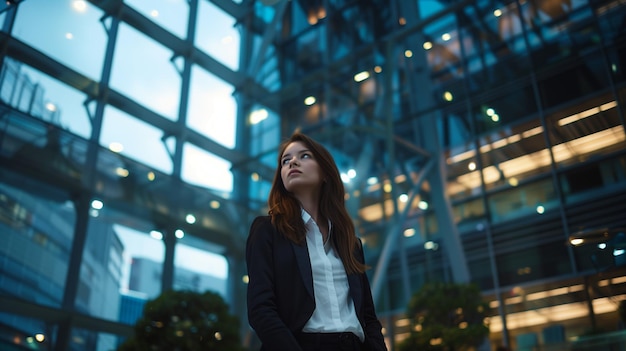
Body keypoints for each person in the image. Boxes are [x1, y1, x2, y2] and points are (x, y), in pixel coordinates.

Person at [246, 132, 388, 351]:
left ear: (325, 173)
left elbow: (368, 318)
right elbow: (261, 309)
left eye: (304, 156)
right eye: (286, 161)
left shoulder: (351, 244)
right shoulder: (267, 230)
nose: (292, 161)